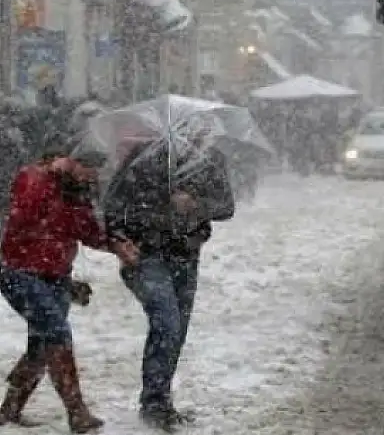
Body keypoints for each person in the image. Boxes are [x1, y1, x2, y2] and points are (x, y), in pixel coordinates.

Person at [102, 121, 235, 430]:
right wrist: (128, 233)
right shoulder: (144, 157)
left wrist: (195, 204)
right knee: (167, 322)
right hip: (147, 254)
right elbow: (114, 204)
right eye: (188, 130)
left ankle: (160, 399)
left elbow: (226, 206)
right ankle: (153, 403)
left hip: (186, 255)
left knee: (177, 330)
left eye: (201, 131)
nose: (195, 136)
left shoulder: (211, 160)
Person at [0, 147, 138, 432]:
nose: (90, 177)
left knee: (41, 345)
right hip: (20, 271)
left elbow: (86, 231)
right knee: (56, 334)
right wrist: (55, 181)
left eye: (94, 173)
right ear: (69, 162)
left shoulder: (79, 192)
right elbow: (25, 213)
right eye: (86, 169)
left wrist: (114, 245)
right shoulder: (33, 177)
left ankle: (10, 408)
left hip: (56, 276)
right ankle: (77, 412)